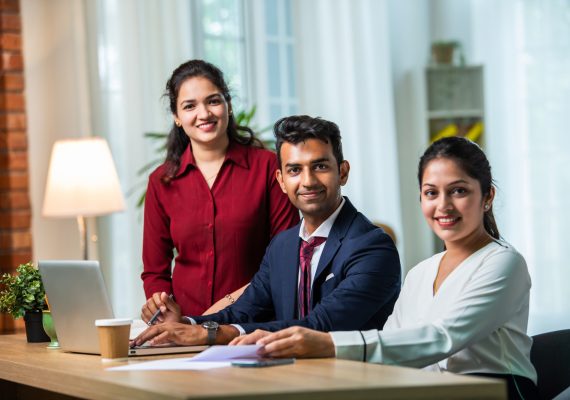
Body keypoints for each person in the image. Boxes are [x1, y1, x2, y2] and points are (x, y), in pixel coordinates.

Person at [251, 137, 538, 400]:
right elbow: (389, 345)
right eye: (431, 193)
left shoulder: (503, 262)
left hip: (495, 392)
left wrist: (328, 343)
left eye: (459, 191)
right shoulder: (420, 273)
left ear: (487, 197)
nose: (444, 206)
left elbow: (443, 336)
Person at [132, 115, 401, 347]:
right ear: (281, 181)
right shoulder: (282, 246)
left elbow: (317, 326)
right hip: (286, 381)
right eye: (294, 170)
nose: (307, 181)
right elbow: (244, 312)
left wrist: (210, 336)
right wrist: (185, 323)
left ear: (342, 172)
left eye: (320, 166)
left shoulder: (373, 247)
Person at [141, 60, 299, 317]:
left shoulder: (268, 167)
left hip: (254, 324)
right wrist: (161, 308)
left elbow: (284, 258)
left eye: (213, 101)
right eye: (189, 106)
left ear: (229, 105)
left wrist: (223, 310)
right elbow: (155, 271)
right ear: (177, 117)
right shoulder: (161, 182)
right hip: (183, 328)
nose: (204, 114)